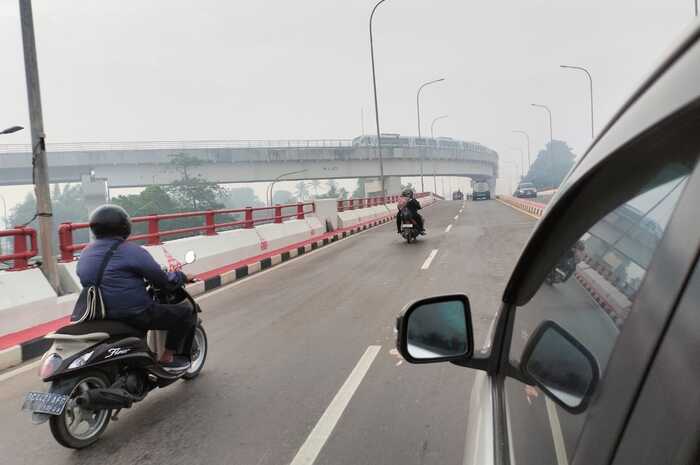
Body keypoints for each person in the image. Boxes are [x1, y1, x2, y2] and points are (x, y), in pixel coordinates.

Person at [76, 205, 196, 371]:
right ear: (124, 226)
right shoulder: (131, 250)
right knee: (185, 313)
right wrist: (181, 277)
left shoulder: (85, 252)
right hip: (134, 313)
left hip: (99, 313)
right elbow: (163, 281)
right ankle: (168, 358)